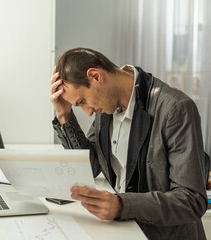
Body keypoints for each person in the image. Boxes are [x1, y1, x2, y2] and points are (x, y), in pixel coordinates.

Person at [50, 48, 207, 239]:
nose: (88, 112)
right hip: (126, 231)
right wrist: (64, 115)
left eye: (82, 100)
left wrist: (123, 205)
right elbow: (90, 166)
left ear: (96, 76)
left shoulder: (175, 109)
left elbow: (191, 200)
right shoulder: (105, 106)